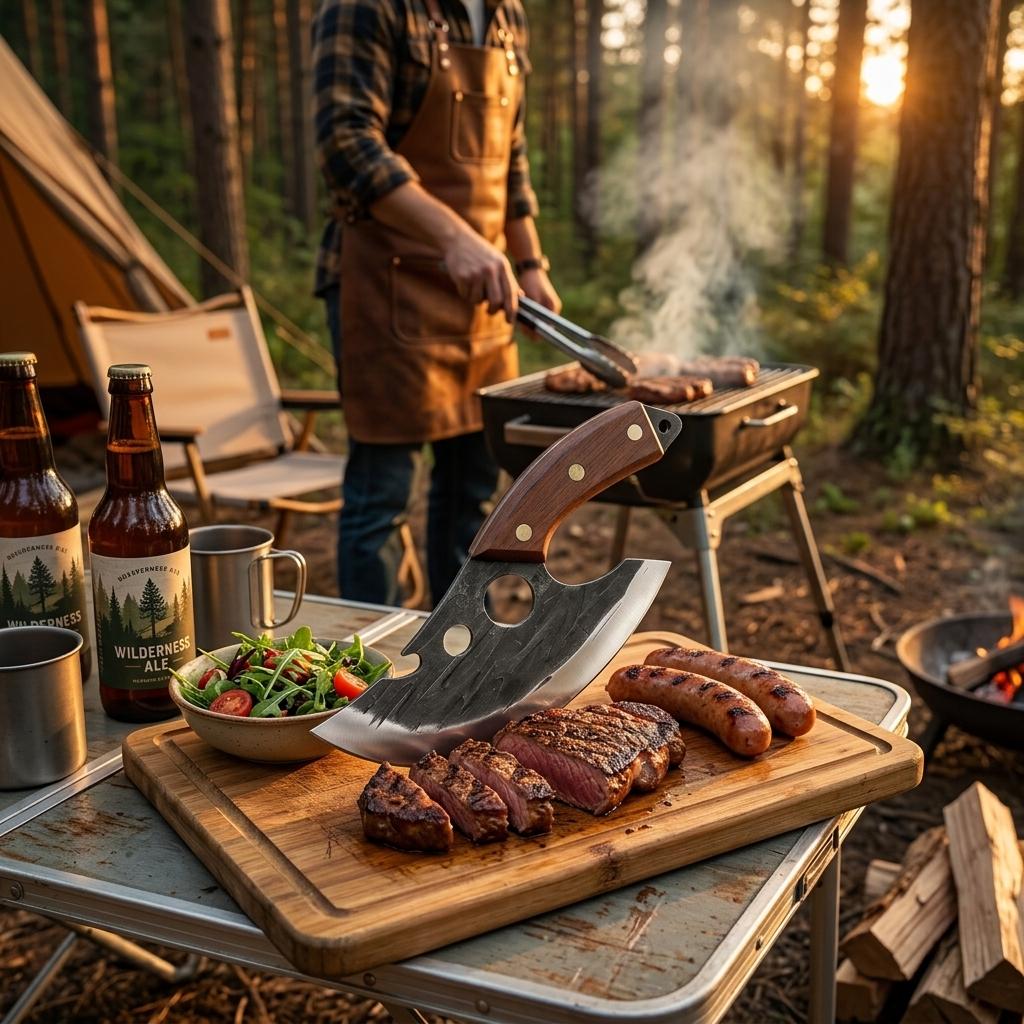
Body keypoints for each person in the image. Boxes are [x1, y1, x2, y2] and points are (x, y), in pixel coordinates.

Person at [312, 0, 561, 608]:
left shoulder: (507, 16)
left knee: (472, 496)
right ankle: (377, 679)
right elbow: (346, 142)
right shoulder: (368, 7)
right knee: (382, 500)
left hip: (484, 289)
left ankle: (454, 661)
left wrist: (528, 263)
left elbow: (512, 159)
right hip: (386, 286)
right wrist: (455, 239)